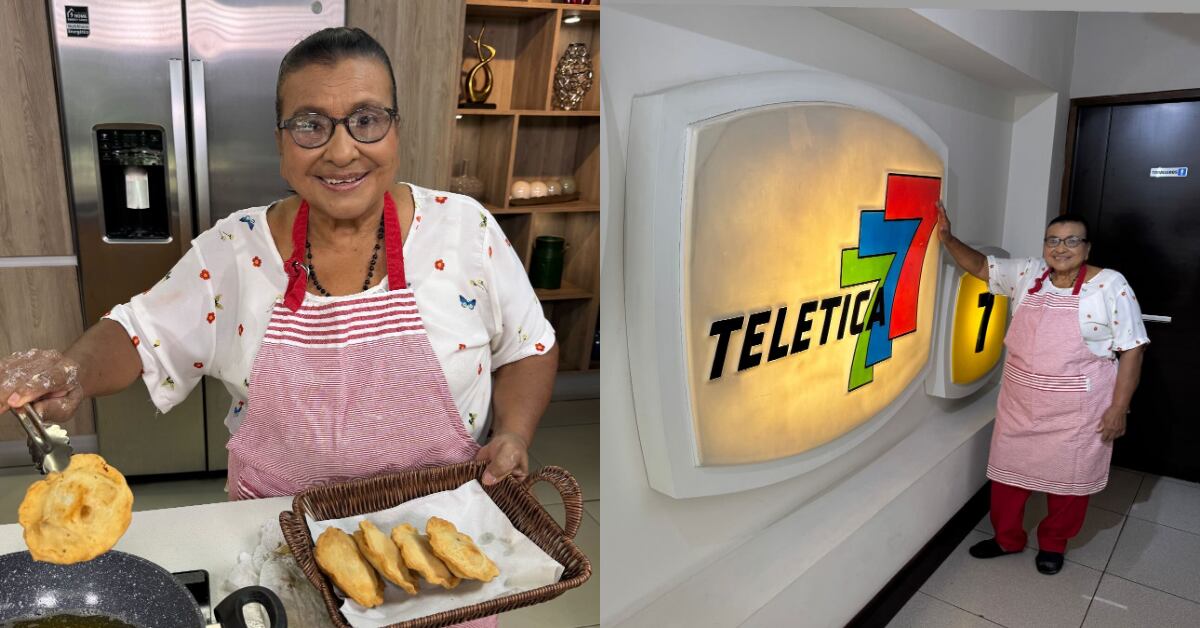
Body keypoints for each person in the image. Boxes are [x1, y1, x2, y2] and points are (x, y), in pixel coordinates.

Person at [1, 28, 555, 509]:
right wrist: (70, 370)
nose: (341, 152)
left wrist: (514, 433)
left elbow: (529, 346)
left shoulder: (465, 230)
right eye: (310, 125)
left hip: (444, 529)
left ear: (396, 130)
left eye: (366, 119)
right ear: (281, 145)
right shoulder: (235, 249)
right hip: (279, 534)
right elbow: (138, 334)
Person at [937, 201, 1148, 575]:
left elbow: (1132, 349)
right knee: (1007, 478)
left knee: (1069, 485)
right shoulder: (1029, 273)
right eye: (1053, 240)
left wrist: (1119, 408)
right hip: (1021, 403)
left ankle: (1053, 543)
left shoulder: (1110, 285)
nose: (1060, 248)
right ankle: (1007, 538)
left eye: (1071, 241)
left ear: (1087, 248)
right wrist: (948, 238)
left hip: (1078, 410)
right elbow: (980, 267)